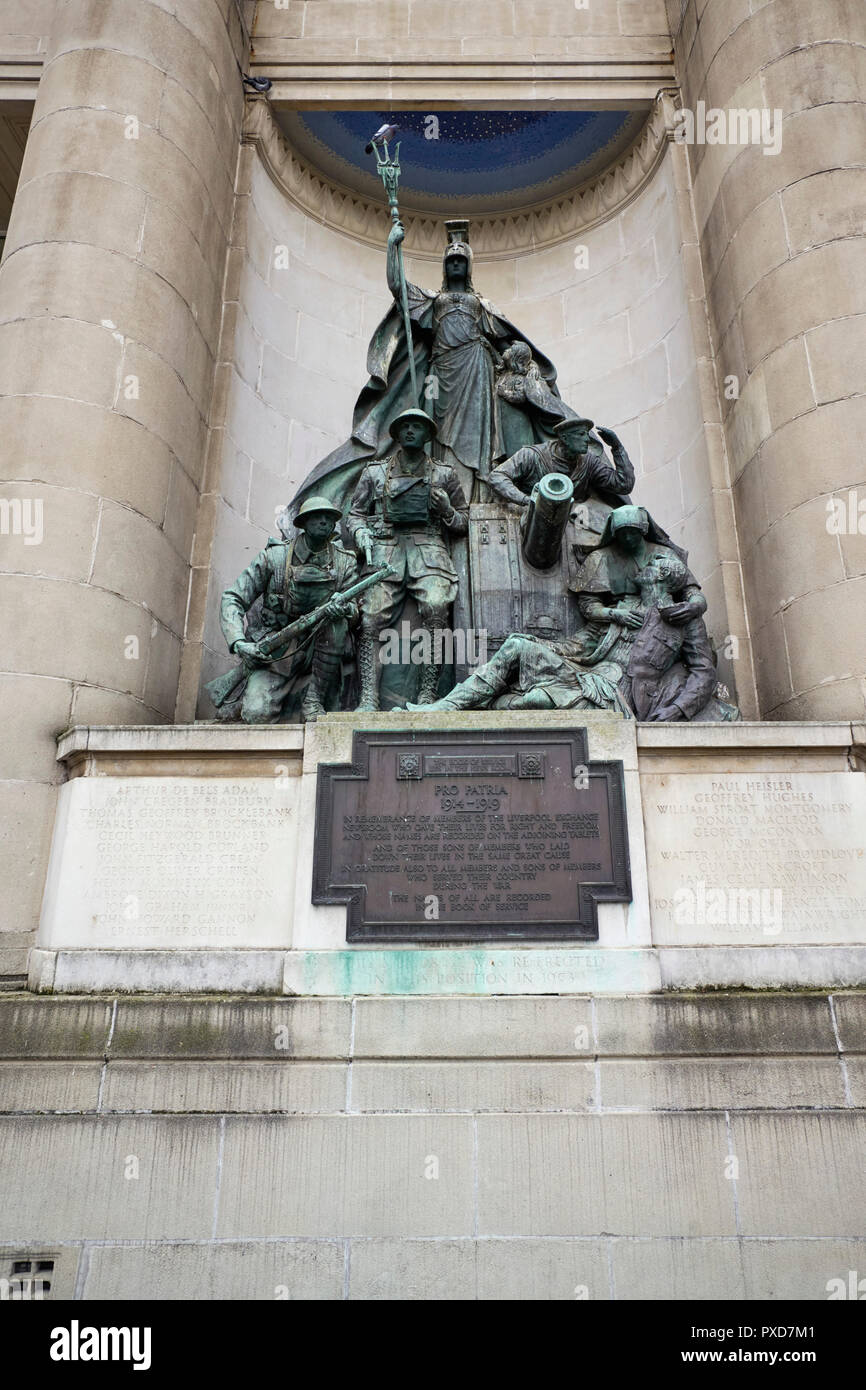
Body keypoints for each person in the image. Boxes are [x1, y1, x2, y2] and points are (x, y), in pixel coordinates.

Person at [346, 408, 468, 709]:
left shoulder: (444, 474)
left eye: (417, 426)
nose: (411, 431)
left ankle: (428, 692)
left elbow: (464, 521)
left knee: (437, 607)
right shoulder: (374, 473)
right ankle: (368, 697)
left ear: (428, 435)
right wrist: (361, 533)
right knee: (370, 616)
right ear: (397, 433)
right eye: (405, 426)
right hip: (384, 549)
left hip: (429, 550)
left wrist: (447, 511)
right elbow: (355, 514)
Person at [218, 496, 359, 723]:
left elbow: (355, 612)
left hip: (320, 647)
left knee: (336, 623)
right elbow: (233, 598)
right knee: (256, 714)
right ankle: (242, 701)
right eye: (317, 516)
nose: (324, 521)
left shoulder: (346, 562)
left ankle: (314, 699)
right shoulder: (274, 557)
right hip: (277, 648)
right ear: (303, 523)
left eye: (329, 517)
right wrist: (239, 643)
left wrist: (344, 611)